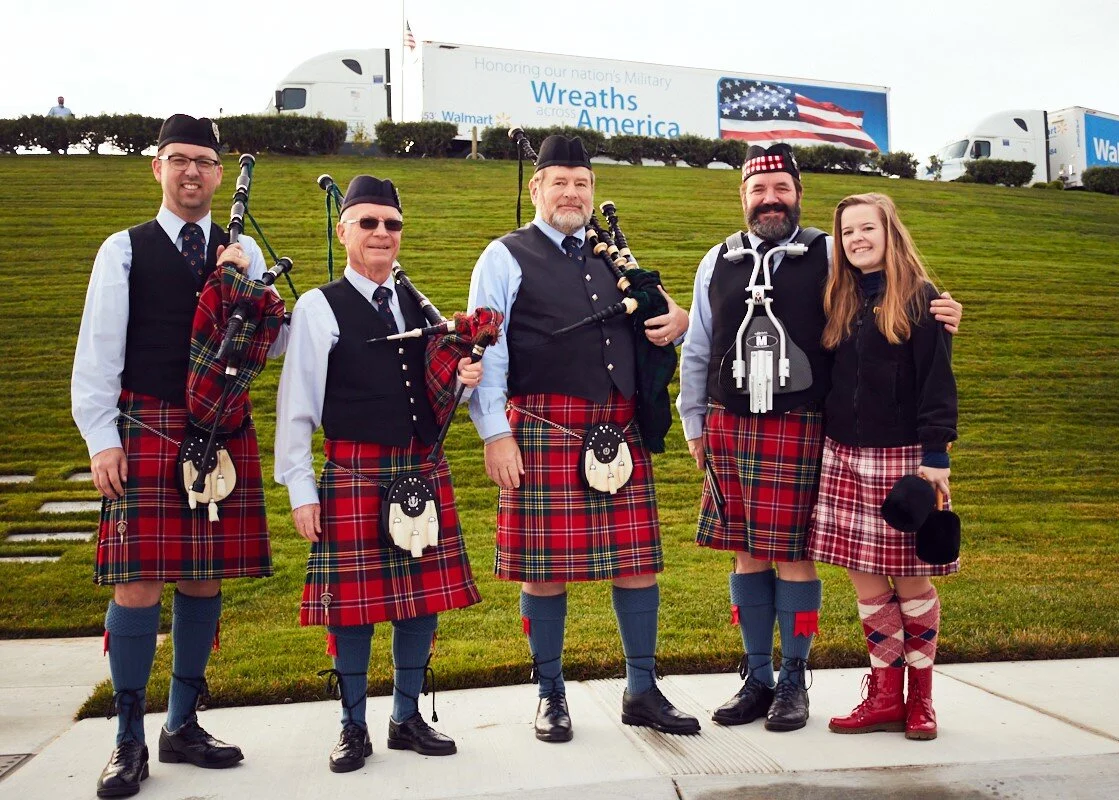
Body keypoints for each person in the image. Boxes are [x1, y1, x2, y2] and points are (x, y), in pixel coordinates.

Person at [677, 144, 961, 733]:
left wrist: (941, 307)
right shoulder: (716, 260)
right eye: (759, 190)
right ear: (744, 198)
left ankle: (792, 684)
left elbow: (895, 287)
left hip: (807, 425)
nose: (770, 198)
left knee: (796, 556)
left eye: (781, 187)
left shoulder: (830, 251)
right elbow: (699, 345)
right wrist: (693, 421)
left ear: (798, 193)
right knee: (746, 553)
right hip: (731, 425)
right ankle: (756, 677)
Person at [71, 113, 287, 798]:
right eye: (179, 160)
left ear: (220, 174)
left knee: (202, 580)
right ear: (157, 169)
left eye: (203, 161)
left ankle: (183, 724)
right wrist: (102, 437)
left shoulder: (239, 250)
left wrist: (248, 289)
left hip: (219, 432)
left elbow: (277, 344)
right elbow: (98, 349)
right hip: (146, 426)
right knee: (137, 583)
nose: (192, 172)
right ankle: (128, 736)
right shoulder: (125, 249)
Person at [466, 134, 696, 743]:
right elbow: (486, 349)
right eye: (560, 182)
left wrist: (679, 320)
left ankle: (642, 690)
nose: (572, 193)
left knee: (637, 564)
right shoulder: (505, 255)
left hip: (616, 428)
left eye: (582, 183)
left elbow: (659, 315)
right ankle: (550, 696)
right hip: (543, 426)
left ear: (593, 192)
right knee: (543, 570)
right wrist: (495, 432)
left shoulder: (611, 253)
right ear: (537, 188)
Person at [275, 175, 486, 773]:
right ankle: (351, 724)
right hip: (355, 472)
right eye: (367, 222)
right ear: (343, 231)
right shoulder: (320, 306)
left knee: (420, 604)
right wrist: (299, 487)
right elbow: (296, 405)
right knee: (352, 608)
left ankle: (407, 716)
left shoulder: (419, 305)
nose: (380, 234)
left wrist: (462, 381)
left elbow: (435, 392)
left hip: (419, 468)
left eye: (391, 224)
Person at [807, 192, 959, 741]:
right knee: (869, 590)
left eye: (866, 229)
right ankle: (884, 696)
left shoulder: (921, 300)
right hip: (844, 457)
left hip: (903, 461)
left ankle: (922, 700)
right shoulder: (839, 300)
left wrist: (935, 456)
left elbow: (937, 384)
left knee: (912, 585)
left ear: (889, 232)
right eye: (847, 233)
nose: (857, 240)